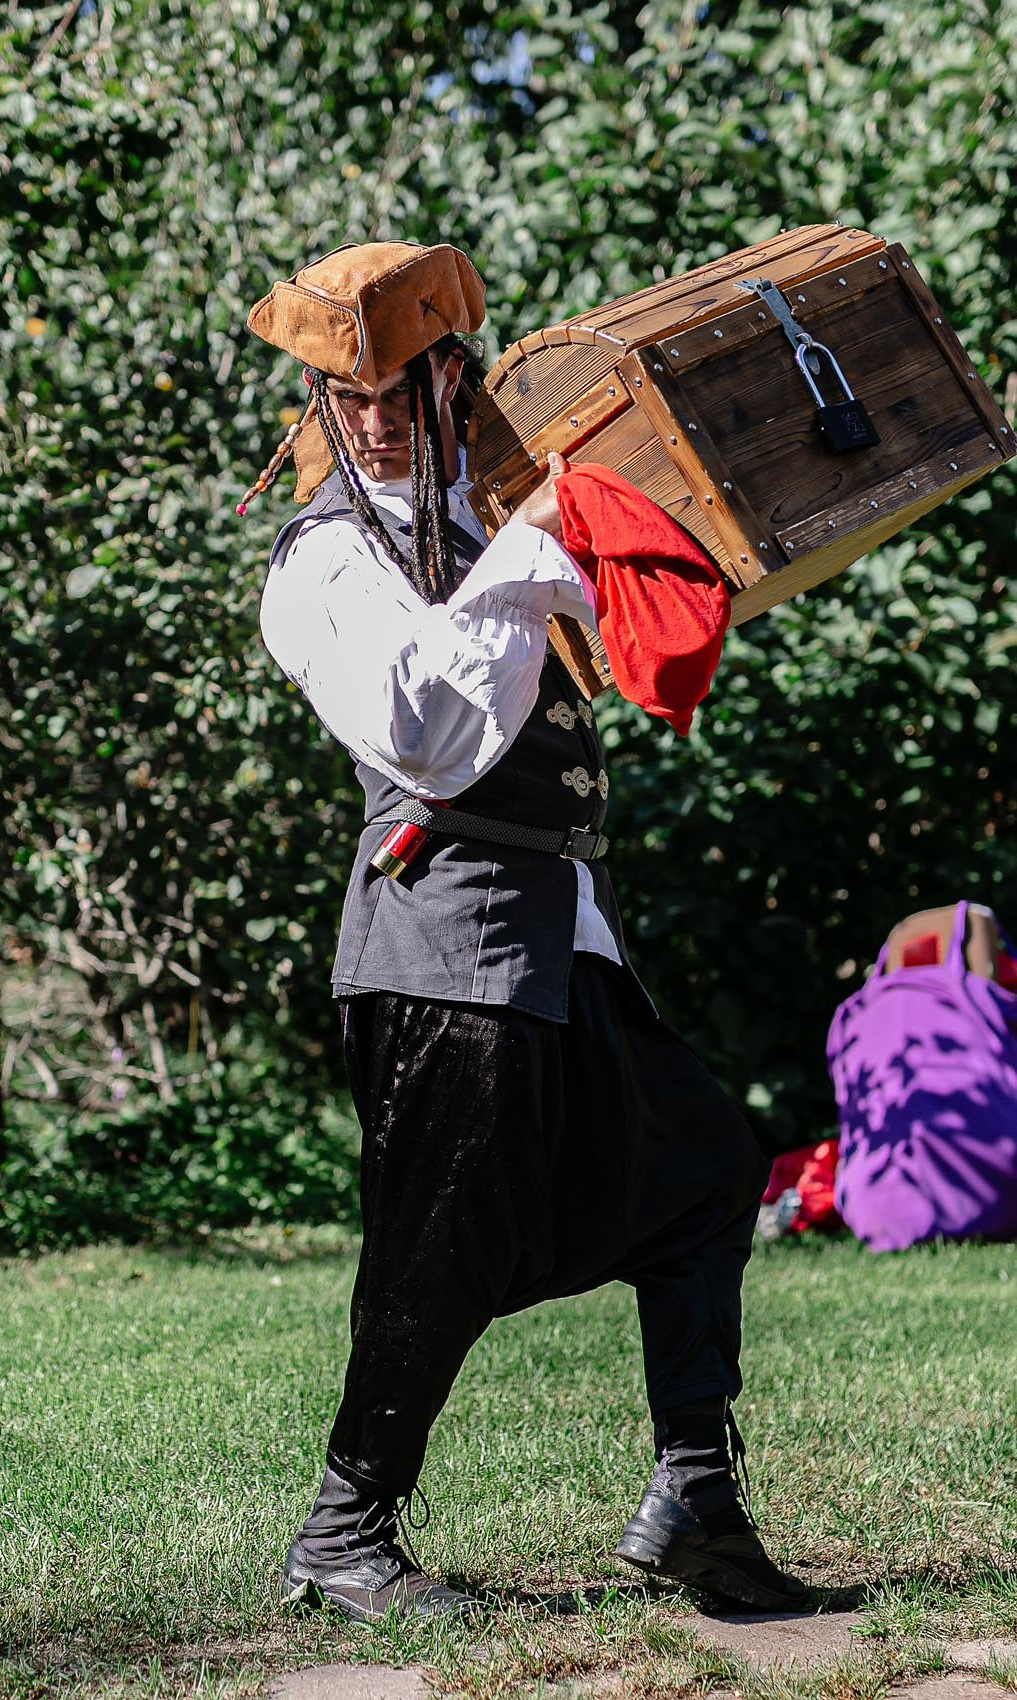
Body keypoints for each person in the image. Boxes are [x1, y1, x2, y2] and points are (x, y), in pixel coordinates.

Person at [244, 240, 808, 1623]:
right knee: (437, 1245)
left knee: (699, 1170)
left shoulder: (486, 499)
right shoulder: (321, 561)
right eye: (347, 395)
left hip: (561, 935)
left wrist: (585, 530)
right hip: (438, 944)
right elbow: (431, 738)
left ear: (450, 379)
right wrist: (539, 547)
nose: (374, 416)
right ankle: (342, 1535)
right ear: (317, 406)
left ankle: (693, 1500)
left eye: (401, 385)